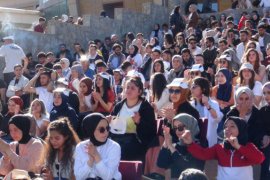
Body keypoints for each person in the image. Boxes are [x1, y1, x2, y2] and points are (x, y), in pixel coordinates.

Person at [181, 116, 264, 180]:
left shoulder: (248, 146)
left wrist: (238, 147)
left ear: (241, 129)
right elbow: (203, 154)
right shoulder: (219, 147)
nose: (227, 129)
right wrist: (190, 143)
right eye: (225, 127)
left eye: (232, 126)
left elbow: (260, 159)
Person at [110, 76, 156, 160]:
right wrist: (109, 121)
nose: (129, 90)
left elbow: (151, 132)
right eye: (127, 87)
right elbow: (111, 126)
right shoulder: (118, 106)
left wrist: (139, 122)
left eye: (132, 88)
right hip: (116, 139)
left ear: (140, 92)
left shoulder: (146, 108)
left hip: (135, 143)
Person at [74, 113, 121, 179]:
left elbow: (108, 177)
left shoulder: (114, 146)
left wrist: (96, 156)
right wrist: (90, 162)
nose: (106, 132)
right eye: (101, 130)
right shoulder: (80, 147)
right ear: (90, 130)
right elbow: (78, 177)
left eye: (107, 128)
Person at [157, 113, 204, 179]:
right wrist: (166, 141)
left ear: (189, 126)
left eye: (180, 127)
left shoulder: (199, 145)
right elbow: (161, 163)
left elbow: (187, 168)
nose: (177, 131)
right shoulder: (177, 145)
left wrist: (171, 146)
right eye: (175, 128)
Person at [190, 77, 223, 147]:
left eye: (194, 87)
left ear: (203, 89)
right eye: (191, 86)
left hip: (208, 142)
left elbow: (218, 118)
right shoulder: (190, 105)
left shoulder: (213, 104)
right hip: (194, 141)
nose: (191, 89)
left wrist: (207, 105)